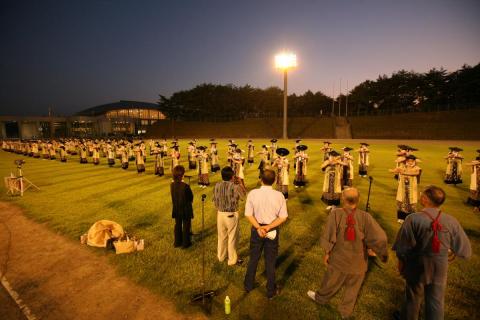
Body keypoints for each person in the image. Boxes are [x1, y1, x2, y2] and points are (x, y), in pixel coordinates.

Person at [392, 185, 472, 320]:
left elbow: (403, 247)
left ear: (424, 199)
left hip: (417, 264)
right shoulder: (451, 220)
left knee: (413, 295)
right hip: (440, 266)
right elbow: (465, 251)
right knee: (436, 300)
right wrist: (452, 250)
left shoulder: (413, 219)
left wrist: (401, 263)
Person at [307, 187, 388, 319]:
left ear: (343, 199)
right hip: (359, 262)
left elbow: (329, 234)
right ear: (359, 200)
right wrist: (379, 252)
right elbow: (380, 238)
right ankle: (346, 312)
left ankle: (321, 298)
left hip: (339, 259)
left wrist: (327, 252)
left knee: (331, 281)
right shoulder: (365, 217)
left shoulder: (335, 214)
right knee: (353, 288)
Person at [244, 168, 288, 299]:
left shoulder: (252, 193)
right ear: (274, 181)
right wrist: (268, 227)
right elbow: (283, 217)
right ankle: (270, 291)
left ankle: (248, 285)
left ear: (260, 179)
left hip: (257, 230)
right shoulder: (279, 195)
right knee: (270, 261)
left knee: (254, 258)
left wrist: (259, 228)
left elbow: (248, 214)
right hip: (271, 230)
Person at [213, 166, 246, 266]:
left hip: (220, 213)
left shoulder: (217, 185)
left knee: (221, 236)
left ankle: (221, 256)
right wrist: (240, 183)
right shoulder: (235, 186)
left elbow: (214, 200)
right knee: (232, 238)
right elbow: (243, 197)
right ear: (232, 176)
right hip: (231, 214)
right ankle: (232, 260)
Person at [390, 155, 421, 223]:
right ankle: (401, 217)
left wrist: (403, 172)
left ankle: (410, 219)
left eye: (412, 161)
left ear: (414, 161)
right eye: (408, 161)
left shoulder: (416, 168)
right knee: (401, 202)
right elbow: (395, 170)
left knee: (411, 204)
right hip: (402, 188)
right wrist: (394, 170)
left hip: (412, 190)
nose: (410, 162)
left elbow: (416, 173)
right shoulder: (402, 167)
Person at [170, 165, 194, 248]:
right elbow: (190, 197)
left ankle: (177, 242)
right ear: (182, 175)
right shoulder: (186, 186)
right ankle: (185, 243)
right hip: (185, 208)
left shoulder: (172, 184)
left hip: (176, 207)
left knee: (178, 224)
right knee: (186, 225)